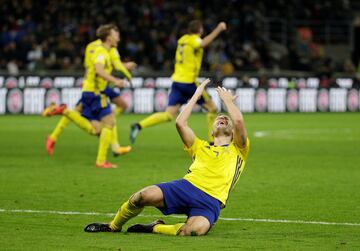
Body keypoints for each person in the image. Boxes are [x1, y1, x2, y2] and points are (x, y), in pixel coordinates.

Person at [84, 79, 250, 236]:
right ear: (212, 132)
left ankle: (156, 227)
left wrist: (228, 101)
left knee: (193, 231)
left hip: (211, 201)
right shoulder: (199, 146)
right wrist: (196, 96)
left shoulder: (239, 148)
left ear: (233, 131)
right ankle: (113, 226)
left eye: (225, 119)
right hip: (186, 187)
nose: (222, 118)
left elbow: (239, 121)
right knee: (141, 196)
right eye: (218, 119)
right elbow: (180, 123)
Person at [129, 20, 227, 144]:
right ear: (200, 30)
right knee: (212, 108)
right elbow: (202, 43)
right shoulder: (193, 40)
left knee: (168, 115)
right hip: (189, 82)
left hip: (177, 82)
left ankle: (138, 125)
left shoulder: (183, 39)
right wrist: (219, 28)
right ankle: (212, 143)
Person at [44, 24, 126, 168]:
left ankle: (65, 112)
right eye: (115, 34)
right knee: (109, 123)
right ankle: (103, 159)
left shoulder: (104, 51)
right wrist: (116, 81)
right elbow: (98, 70)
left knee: (97, 130)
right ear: (108, 38)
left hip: (92, 92)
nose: (117, 37)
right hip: (96, 93)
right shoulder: (101, 52)